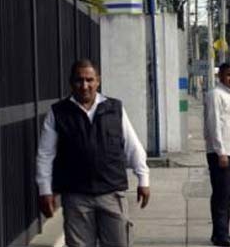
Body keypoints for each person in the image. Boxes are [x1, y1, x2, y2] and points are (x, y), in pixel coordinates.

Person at [36, 59, 150, 247]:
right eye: (79, 80)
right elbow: (45, 155)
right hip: (76, 196)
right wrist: (45, 190)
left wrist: (143, 179)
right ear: (71, 82)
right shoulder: (58, 113)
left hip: (111, 193)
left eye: (90, 80)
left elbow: (133, 146)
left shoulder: (115, 109)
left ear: (98, 81)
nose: (84, 86)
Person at [204, 62, 230, 246]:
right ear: (220, 76)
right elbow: (214, 126)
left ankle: (222, 232)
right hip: (221, 154)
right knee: (221, 195)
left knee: (229, 196)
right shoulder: (215, 95)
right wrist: (221, 152)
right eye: (228, 75)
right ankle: (220, 235)